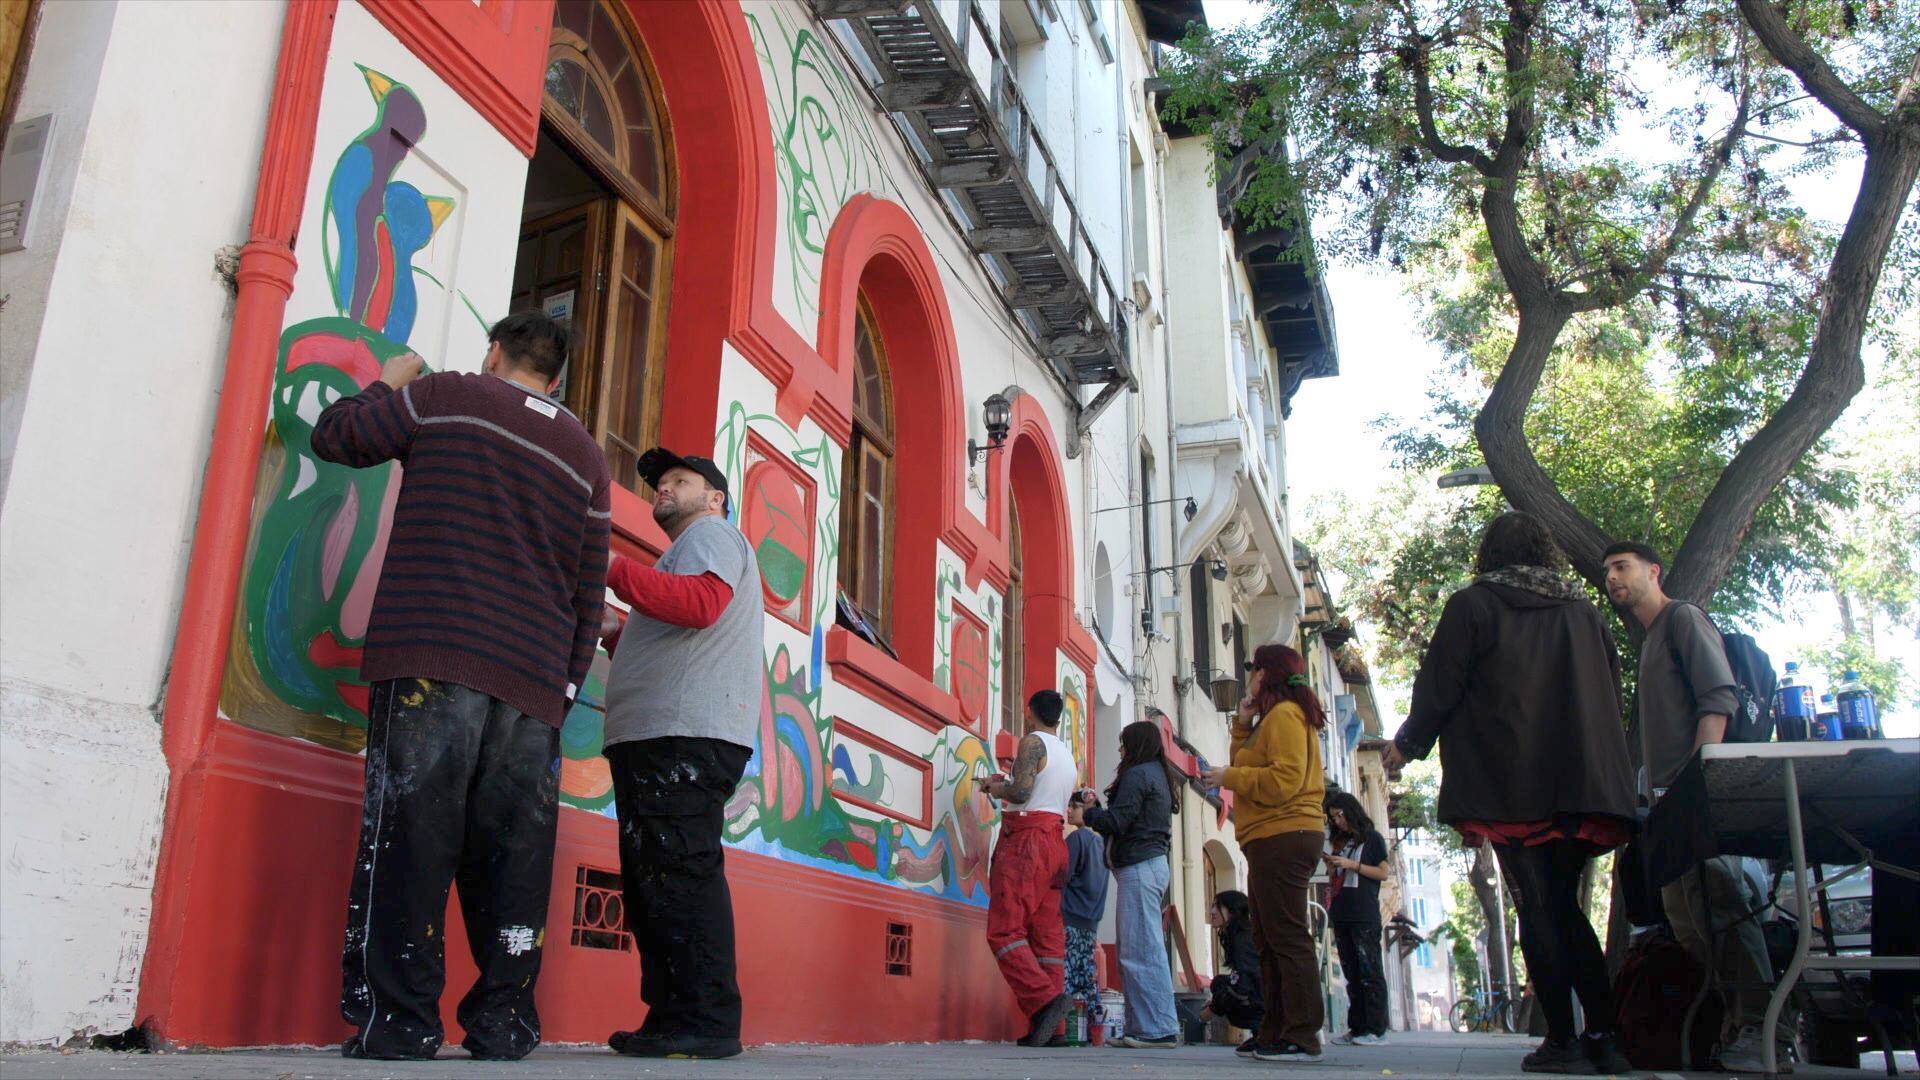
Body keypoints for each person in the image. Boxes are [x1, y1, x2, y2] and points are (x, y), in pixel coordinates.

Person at [311, 313, 611, 1061]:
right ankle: (503, 1026)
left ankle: (400, 1026)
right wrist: (562, 690)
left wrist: (386, 383)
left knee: (411, 840)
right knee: (514, 861)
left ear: (494, 352)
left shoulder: (447, 396)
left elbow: (338, 437)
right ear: (557, 380)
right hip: (534, 683)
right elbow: (589, 592)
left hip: (434, 655)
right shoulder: (586, 457)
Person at [1384, 512, 1636, 1074]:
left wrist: (1408, 744)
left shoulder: (1473, 606)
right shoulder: (1583, 611)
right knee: (1564, 904)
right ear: (1546, 552)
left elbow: (1440, 685)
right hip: (1579, 781)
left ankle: (1563, 1040)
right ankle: (1604, 1036)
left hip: (1509, 782)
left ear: (1489, 554)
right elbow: (1610, 689)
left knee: (1537, 906)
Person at [598, 448, 762, 1060]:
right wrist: (617, 630)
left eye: (679, 480)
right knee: (655, 880)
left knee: (679, 876)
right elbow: (677, 630)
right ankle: (673, 1016)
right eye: (659, 483)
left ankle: (706, 1020)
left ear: (715, 498)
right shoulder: (685, 552)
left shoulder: (710, 534)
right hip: (665, 735)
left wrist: (611, 569)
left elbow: (699, 606)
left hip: (683, 735)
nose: (663, 488)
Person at [1604, 540, 1782, 1073]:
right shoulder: (1651, 641)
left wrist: (1700, 781)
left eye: (1622, 567)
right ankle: (1733, 1023)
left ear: (1654, 572)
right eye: (1607, 571)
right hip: (1667, 808)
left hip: (1697, 799)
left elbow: (1718, 699)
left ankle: (1765, 1028)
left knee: (1721, 903)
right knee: (1687, 920)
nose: (1612, 578)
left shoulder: (1683, 619)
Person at [1202, 643, 1328, 1063]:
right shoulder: (1270, 719)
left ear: (1267, 674)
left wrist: (1229, 776)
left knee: (1286, 936)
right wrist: (1241, 725)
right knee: (1267, 939)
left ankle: (1302, 1035)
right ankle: (1273, 1029)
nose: (1249, 676)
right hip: (1268, 836)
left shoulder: (1287, 715)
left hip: (1286, 832)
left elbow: (1284, 780)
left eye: (1254, 669)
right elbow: (1248, 764)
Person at [981, 690, 1079, 1047]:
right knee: (1047, 938)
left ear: (1029, 712)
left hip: (1026, 840)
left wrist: (995, 788)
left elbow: (1021, 792)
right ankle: (1054, 1030)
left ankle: (1044, 1001)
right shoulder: (1066, 754)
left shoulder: (1033, 743)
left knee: (1004, 930)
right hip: (1055, 841)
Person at [1073, 720, 1178, 1049]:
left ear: (1135, 744)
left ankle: (1157, 1029)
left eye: (1123, 743)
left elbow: (1118, 822)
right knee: (1139, 948)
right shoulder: (1156, 774)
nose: (1120, 749)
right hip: (1148, 865)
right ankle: (1143, 1027)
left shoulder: (1137, 774)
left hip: (1139, 868)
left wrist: (1088, 815)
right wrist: (1097, 811)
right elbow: (1127, 819)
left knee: (1141, 951)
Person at [1325, 790, 1391, 1046]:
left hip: (1364, 912)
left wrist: (1353, 865)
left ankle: (1376, 1028)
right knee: (1351, 972)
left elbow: (1383, 873)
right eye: (1333, 818)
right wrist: (1333, 867)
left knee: (1369, 970)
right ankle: (1358, 1027)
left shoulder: (1372, 839)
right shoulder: (1341, 842)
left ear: (1351, 812)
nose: (1337, 821)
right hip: (1342, 911)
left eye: (1339, 815)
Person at [1061, 789, 1109, 1040]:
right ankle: (1094, 1029)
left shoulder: (1076, 839)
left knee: (1067, 976)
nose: (1069, 810)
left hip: (1070, 916)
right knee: (1087, 976)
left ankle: (1063, 1028)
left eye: (1075, 806)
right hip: (1091, 920)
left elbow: (1062, 876)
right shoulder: (1103, 843)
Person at [1200, 890, 1264, 1049]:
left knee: (1221, 986)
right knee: (1220, 983)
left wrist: (1213, 1008)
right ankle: (1261, 1033)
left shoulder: (1242, 939)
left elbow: (1243, 984)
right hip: (1265, 996)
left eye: (1217, 907)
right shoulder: (1241, 935)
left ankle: (1263, 1032)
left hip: (1266, 1001)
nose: (1212, 912)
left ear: (1232, 912)